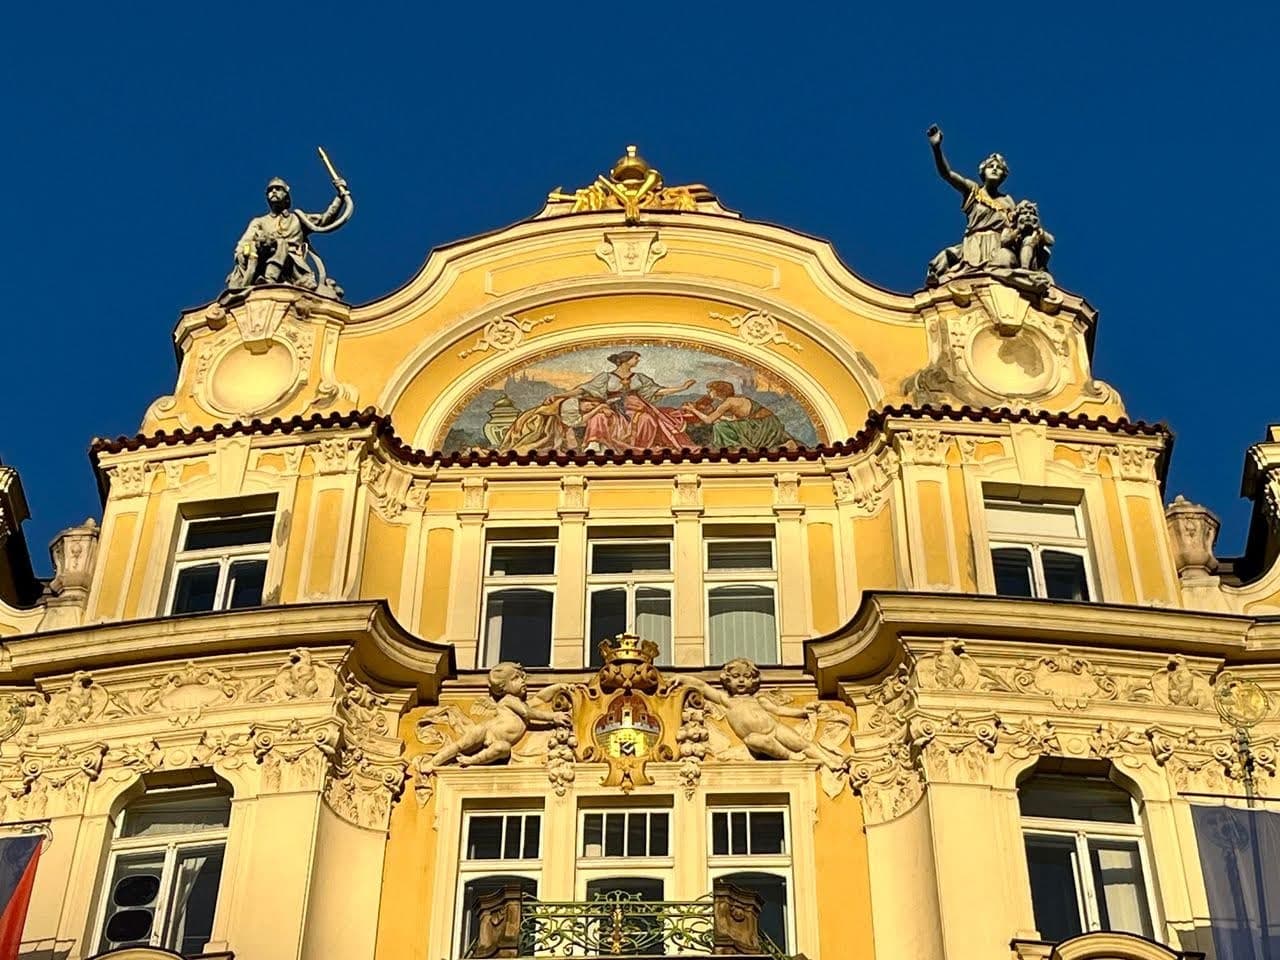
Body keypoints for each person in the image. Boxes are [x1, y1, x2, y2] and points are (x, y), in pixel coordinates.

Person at [226, 176, 353, 295]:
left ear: (286, 195)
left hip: (293, 265)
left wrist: (340, 197)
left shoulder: (297, 218)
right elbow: (245, 242)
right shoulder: (259, 221)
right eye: (270, 190)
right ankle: (265, 279)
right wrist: (243, 253)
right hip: (262, 262)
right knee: (259, 245)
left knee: (281, 242)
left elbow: (325, 219)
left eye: (278, 189)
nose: (274, 191)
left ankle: (270, 280)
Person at [925, 124, 1017, 285]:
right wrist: (936, 148)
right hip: (974, 245)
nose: (995, 169)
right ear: (983, 172)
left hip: (1000, 245)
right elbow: (947, 174)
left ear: (1004, 175)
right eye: (991, 166)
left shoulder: (1008, 201)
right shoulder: (974, 191)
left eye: (999, 168)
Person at [551, 350, 695, 452]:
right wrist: (560, 396)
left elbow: (657, 390)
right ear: (626, 360)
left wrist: (681, 388)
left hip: (637, 408)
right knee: (599, 416)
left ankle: (640, 450)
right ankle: (595, 445)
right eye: (635, 358)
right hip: (613, 407)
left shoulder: (639, 377)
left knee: (648, 419)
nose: (637, 361)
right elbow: (583, 390)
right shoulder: (606, 377)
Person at [681, 381, 793, 449]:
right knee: (721, 423)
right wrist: (720, 418)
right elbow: (735, 421)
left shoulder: (728, 403)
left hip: (762, 427)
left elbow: (709, 421)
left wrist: (692, 409)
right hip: (769, 424)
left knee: (719, 427)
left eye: (710, 390)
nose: (708, 393)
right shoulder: (736, 399)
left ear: (717, 391)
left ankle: (733, 447)